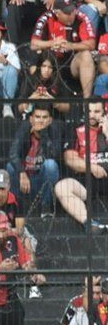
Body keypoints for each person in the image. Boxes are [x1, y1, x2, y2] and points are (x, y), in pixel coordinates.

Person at [55, 100, 108, 233]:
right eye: (89, 111)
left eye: (96, 112)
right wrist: (92, 167)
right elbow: (70, 159)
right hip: (87, 180)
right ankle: (89, 224)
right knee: (62, 187)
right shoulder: (76, 129)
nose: (92, 115)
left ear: (104, 112)